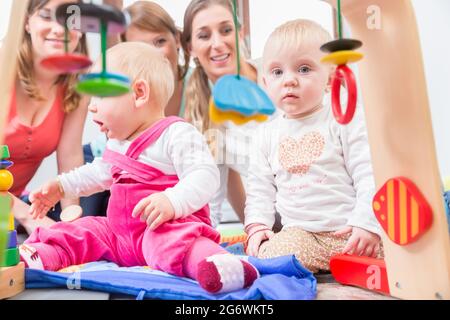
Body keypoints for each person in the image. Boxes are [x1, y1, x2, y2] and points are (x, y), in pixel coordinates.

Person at [19, 42, 259, 294]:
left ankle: (220, 265)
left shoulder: (176, 134)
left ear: (139, 93)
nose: (91, 105)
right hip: (119, 235)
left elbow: (205, 176)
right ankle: (41, 255)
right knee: (83, 230)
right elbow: (98, 173)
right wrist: (61, 186)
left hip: (160, 229)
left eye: (100, 95)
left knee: (176, 243)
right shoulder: (117, 143)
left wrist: (172, 201)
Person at [244, 19, 383, 273]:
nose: (289, 80)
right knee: (267, 257)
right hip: (304, 236)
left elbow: (368, 172)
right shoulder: (264, 135)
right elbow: (259, 191)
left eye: (304, 69)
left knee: (404, 245)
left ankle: (354, 259)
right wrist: (258, 226)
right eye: (277, 72)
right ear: (265, 82)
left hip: (352, 231)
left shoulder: (343, 117)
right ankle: (333, 265)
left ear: (330, 77)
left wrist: (366, 223)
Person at [82, 1, 194, 219]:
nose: (152, 54)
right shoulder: (126, 89)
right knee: (91, 222)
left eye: (159, 41)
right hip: (104, 160)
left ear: (177, 40)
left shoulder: (194, 85)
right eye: (140, 47)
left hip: (154, 174)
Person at [181, 0, 269, 226]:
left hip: (330, 210)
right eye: (204, 35)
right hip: (274, 226)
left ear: (240, 33)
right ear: (190, 47)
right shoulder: (203, 118)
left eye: (226, 30)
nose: (217, 43)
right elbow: (212, 199)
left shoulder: (275, 75)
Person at [5, 0, 89, 234]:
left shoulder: (78, 83)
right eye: (46, 15)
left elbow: (70, 156)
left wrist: (70, 223)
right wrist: (26, 216)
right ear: (27, 22)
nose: (59, 28)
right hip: (15, 211)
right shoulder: (3, 68)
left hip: (8, 215)